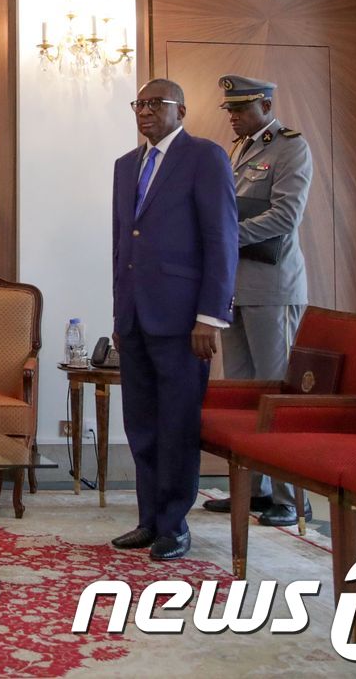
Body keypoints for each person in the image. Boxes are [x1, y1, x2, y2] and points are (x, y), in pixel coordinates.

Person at [111, 78, 237, 560]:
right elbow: (123, 243)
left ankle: (174, 524)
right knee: (141, 423)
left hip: (185, 320)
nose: (144, 111)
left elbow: (221, 239)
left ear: (180, 109)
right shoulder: (126, 166)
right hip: (137, 317)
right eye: (138, 104)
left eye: (154, 104)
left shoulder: (204, 157)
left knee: (177, 422)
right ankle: (148, 519)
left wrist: (210, 316)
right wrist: (121, 314)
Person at [202, 74, 313, 528]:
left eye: (241, 109)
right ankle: (251, 491)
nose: (232, 117)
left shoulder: (290, 147)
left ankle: (290, 497)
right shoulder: (239, 149)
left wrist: (226, 237)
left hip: (272, 287)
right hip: (237, 289)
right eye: (230, 110)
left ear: (265, 105)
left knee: (275, 394)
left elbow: (286, 215)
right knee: (243, 396)